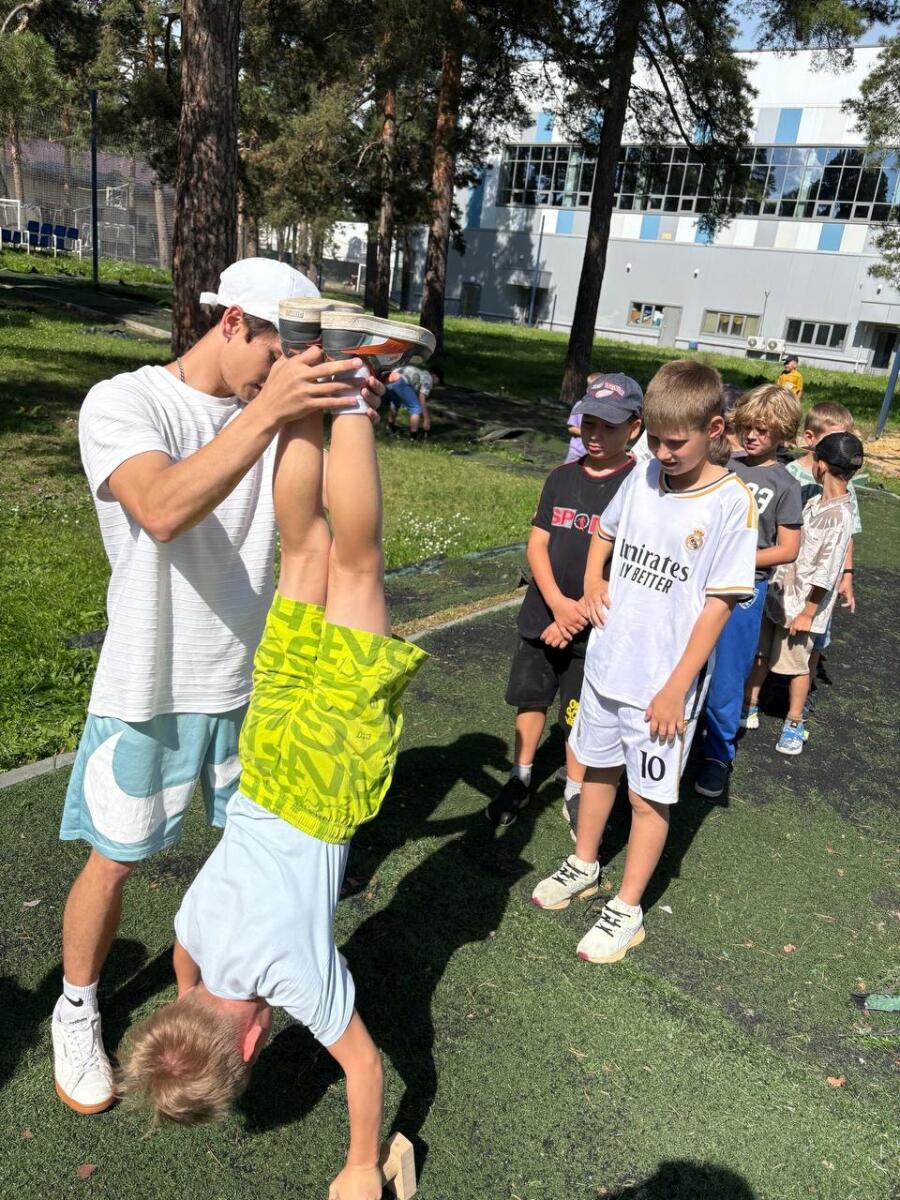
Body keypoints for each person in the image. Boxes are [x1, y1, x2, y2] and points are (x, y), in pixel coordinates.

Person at [51, 258, 386, 1116]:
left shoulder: (267, 402)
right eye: (278, 351)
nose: (280, 373)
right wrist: (275, 409)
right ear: (232, 322)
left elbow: (311, 530)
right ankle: (77, 1009)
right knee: (115, 859)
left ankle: (216, 984)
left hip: (254, 679)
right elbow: (160, 509)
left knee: (254, 851)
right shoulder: (125, 402)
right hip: (154, 681)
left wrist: (340, 403)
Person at [117, 402, 427, 1200]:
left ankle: (350, 394)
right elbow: (183, 961)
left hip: (326, 780)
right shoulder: (192, 933)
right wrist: (185, 993)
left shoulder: (295, 981)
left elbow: (363, 1066)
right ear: (184, 1006)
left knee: (357, 565)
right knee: (306, 550)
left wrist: (360, 1166)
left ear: (254, 1044)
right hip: (264, 761)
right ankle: (306, 372)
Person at [531, 360, 757, 963]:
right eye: (654, 439)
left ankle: (627, 909)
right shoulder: (644, 474)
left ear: (714, 429)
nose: (662, 452)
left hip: (661, 685)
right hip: (609, 664)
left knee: (648, 798)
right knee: (597, 770)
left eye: (675, 442)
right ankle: (584, 863)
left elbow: (718, 607)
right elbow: (606, 533)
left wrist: (675, 688)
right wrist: (593, 581)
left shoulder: (731, 503)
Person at [485, 373, 643, 830]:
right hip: (543, 615)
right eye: (589, 423)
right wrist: (557, 605)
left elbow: (629, 565)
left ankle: (575, 788)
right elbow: (537, 544)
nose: (595, 435)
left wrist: (576, 619)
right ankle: (521, 775)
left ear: (634, 427)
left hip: (596, 628)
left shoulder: (640, 487)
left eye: (609, 427)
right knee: (531, 699)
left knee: (580, 715)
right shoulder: (560, 477)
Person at [694, 384, 803, 798]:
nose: (752, 436)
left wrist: (739, 558)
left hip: (745, 588)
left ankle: (718, 755)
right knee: (687, 659)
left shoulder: (786, 484)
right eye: (748, 427)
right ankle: (680, 738)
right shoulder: (723, 465)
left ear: (782, 434)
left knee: (728, 674)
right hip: (700, 579)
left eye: (763, 429)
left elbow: (788, 548)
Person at [743, 431, 864, 756]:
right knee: (761, 654)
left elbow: (827, 570)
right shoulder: (814, 503)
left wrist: (809, 613)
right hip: (780, 597)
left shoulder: (840, 516)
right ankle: (749, 704)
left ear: (820, 465)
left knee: (797, 665)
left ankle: (794, 722)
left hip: (802, 608)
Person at [784, 401, 861, 713]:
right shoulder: (790, 474)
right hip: (792, 575)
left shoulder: (844, 490)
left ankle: (803, 694)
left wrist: (848, 575)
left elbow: (846, 537)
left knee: (814, 638)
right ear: (811, 439)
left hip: (817, 585)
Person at [385, 357, 437, 439]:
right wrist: (427, 419)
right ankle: (413, 436)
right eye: (437, 380)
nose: (436, 383)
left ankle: (390, 428)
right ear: (434, 376)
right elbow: (422, 399)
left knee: (395, 404)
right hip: (400, 380)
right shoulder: (428, 378)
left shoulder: (421, 372)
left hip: (390, 378)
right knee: (415, 408)